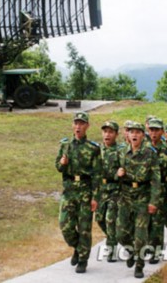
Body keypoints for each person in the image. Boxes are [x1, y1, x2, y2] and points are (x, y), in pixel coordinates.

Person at [55, 111, 102, 273]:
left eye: (82, 123)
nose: (78, 126)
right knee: (65, 226)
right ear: (72, 125)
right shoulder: (65, 145)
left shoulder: (93, 148)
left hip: (85, 191)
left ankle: (83, 259)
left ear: (87, 126)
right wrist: (62, 163)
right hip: (69, 190)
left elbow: (97, 174)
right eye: (76, 123)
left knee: (84, 228)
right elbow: (58, 167)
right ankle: (77, 247)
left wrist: (95, 197)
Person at [116, 122, 161, 279]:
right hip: (125, 196)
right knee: (120, 233)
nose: (134, 135)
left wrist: (153, 201)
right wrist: (118, 173)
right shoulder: (121, 151)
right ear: (127, 134)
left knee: (141, 235)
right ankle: (131, 250)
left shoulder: (150, 153)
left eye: (138, 132)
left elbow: (156, 180)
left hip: (142, 196)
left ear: (143, 135)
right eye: (131, 132)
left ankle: (139, 265)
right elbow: (111, 173)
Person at [95, 120, 124, 262]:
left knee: (110, 219)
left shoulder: (120, 151)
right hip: (101, 190)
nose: (107, 134)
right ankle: (113, 237)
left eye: (110, 132)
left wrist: (119, 173)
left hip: (115, 190)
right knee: (99, 218)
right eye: (105, 131)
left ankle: (111, 249)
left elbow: (125, 169)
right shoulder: (97, 150)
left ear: (116, 134)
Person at [146, 118, 167, 264]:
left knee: (157, 222)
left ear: (162, 131)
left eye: (156, 130)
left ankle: (156, 251)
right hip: (144, 192)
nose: (153, 133)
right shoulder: (143, 149)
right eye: (151, 130)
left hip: (162, 192)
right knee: (146, 222)